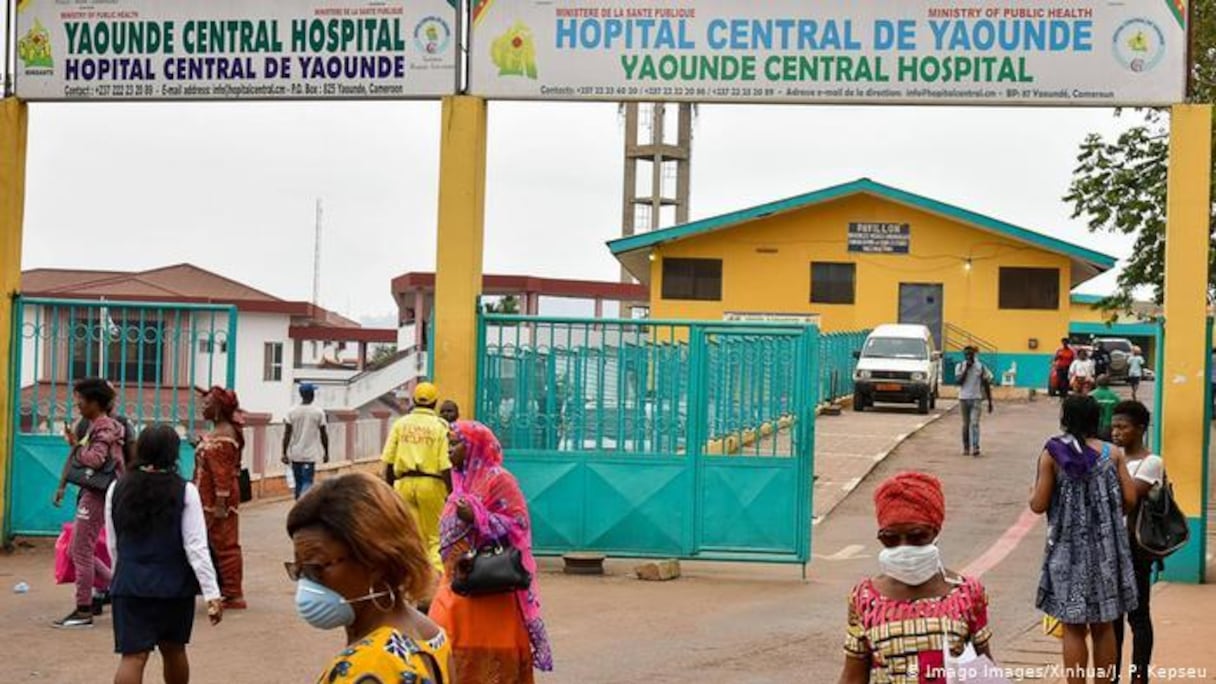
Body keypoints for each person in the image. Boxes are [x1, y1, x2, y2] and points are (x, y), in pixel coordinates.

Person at [287, 473, 451, 683]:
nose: (306, 581)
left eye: (316, 568)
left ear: (375, 562)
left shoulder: (364, 667)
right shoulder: (432, 635)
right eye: (298, 569)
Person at [838, 472, 993, 683]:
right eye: (890, 538)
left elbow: (984, 674)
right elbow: (853, 677)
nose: (904, 547)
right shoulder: (864, 598)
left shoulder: (967, 594)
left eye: (917, 536)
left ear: (936, 532)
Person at [430, 421, 554, 681]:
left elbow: (519, 526)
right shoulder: (460, 481)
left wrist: (478, 517)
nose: (449, 450)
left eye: (455, 444)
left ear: (474, 446)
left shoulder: (499, 479)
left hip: (489, 585)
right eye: (448, 443)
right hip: (455, 582)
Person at [1030, 396, 1139, 684]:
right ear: (1096, 419)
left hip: (1067, 551)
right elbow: (1130, 498)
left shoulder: (1053, 453)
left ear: (1066, 419)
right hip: (1107, 550)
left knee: (1074, 627)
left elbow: (1038, 504)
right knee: (1104, 624)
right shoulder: (1112, 453)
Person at [105, 425, 223, 684]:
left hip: (130, 583)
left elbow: (113, 543)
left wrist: (118, 578)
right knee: (174, 650)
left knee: (133, 657)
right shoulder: (185, 491)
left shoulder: (117, 488)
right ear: (173, 453)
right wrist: (212, 593)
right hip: (174, 587)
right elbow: (196, 546)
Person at [52, 378, 126, 629]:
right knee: (76, 550)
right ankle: (119, 588)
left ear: (94, 402)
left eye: (80, 400)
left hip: (96, 494)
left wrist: (75, 446)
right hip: (95, 492)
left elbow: (95, 460)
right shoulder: (102, 425)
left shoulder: (103, 427)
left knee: (81, 551)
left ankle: (83, 610)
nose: (78, 405)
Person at [1110, 401, 1165, 684]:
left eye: (1123, 427)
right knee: (1113, 618)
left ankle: (1139, 675)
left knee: (1138, 615)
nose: (1116, 432)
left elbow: (1126, 500)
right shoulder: (1114, 458)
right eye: (1114, 426)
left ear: (1140, 429)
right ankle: (1113, 674)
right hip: (1112, 548)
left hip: (1135, 549)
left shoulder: (1151, 462)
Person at [382, 382, 452, 574]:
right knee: (435, 536)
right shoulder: (440, 426)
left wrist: (389, 491)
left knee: (413, 535)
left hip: (402, 483)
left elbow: (388, 461)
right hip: (432, 484)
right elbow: (445, 464)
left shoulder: (400, 424)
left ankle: (416, 581)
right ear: (435, 402)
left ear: (414, 400)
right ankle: (435, 582)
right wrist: (451, 492)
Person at [194, 386, 246, 610]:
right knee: (212, 542)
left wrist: (221, 504)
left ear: (218, 409)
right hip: (207, 497)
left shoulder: (223, 436)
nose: (202, 408)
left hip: (215, 500)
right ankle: (223, 588)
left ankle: (233, 593)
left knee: (224, 544)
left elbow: (222, 475)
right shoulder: (220, 431)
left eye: (207, 405)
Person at [282, 383, 329, 500]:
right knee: (307, 482)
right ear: (312, 395)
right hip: (309, 455)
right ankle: (302, 507)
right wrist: (326, 452)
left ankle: (299, 504)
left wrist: (284, 453)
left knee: (298, 483)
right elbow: (323, 434)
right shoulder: (318, 412)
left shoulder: (291, 412)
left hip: (295, 454)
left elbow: (287, 434)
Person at [955, 346, 994, 457]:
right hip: (963, 399)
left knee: (975, 423)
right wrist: (966, 369)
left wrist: (990, 402)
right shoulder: (960, 366)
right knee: (965, 424)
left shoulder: (980, 367)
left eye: (970, 354)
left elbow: (986, 384)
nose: (968, 357)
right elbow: (958, 382)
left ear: (974, 355)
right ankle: (966, 447)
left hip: (976, 399)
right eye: (966, 355)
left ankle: (976, 447)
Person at [1091, 375, 1120, 440]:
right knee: (1107, 448)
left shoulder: (1091, 396)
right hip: (1110, 427)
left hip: (1094, 427)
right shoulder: (1115, 397)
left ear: (1096, 382)